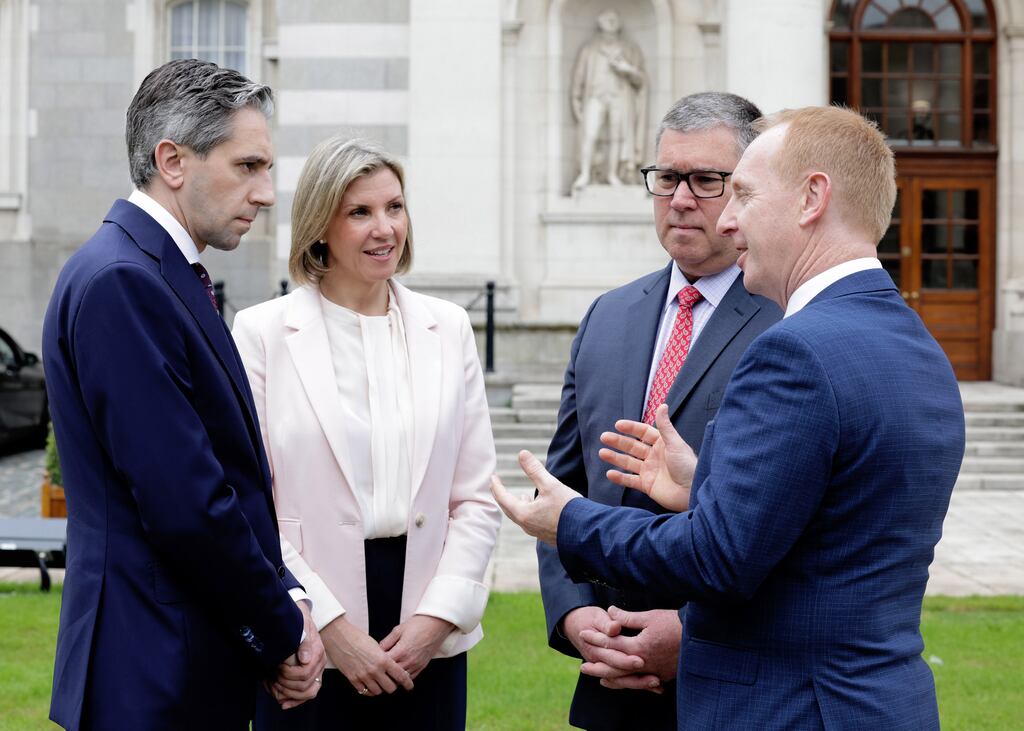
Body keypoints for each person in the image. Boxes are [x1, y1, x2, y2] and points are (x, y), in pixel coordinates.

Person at [494, 105, 965, 729]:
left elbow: (719, 557)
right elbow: (827, 522)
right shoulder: (910, 338)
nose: (730, 218)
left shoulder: (795, 347)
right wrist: (704, 487)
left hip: (789, 706)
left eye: (740, 191)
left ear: (811, 199)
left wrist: (571, 522)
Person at [42, 59, 325, 731]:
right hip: (152, 673)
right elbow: (187, 503)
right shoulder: (123, 280)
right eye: (247, 166)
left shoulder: (154, 271)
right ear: (173, 160)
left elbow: (222, 479)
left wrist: (283, 597)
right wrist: (284, 623)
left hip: (172, 663)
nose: (265, 192)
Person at [232, 136, 502, 730]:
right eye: (360, 212)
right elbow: (249, 503)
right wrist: (329, 625)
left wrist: (438, 619)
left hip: (425, 629)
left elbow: (476, 497)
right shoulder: (261, 334)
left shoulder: (449, 328)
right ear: (319, 226)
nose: (385, 228)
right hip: (304, 625)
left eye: (395, 207)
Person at [538, 92, 781, 730]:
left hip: (734, 684)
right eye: (668, 177)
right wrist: (573, 613)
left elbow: (797, 530)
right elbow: (563, 488)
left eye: (707, 180)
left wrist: (693, 632)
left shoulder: (793, 325)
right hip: (608, 683)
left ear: (749, 190)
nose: (680, 198)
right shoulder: (606, 316)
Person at [571, 9, 647, 189]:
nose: (611, 22)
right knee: (590, 135)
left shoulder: (628, 49)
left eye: (614, 19)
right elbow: (579, 77)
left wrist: (626, 69)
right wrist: (576, 98)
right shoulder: (590, 49)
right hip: (596, 97)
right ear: (600, 24)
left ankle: (613, 174)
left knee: (617, 137)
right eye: (607, 19)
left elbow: (640, 80)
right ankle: (585, 173)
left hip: (619, 98)